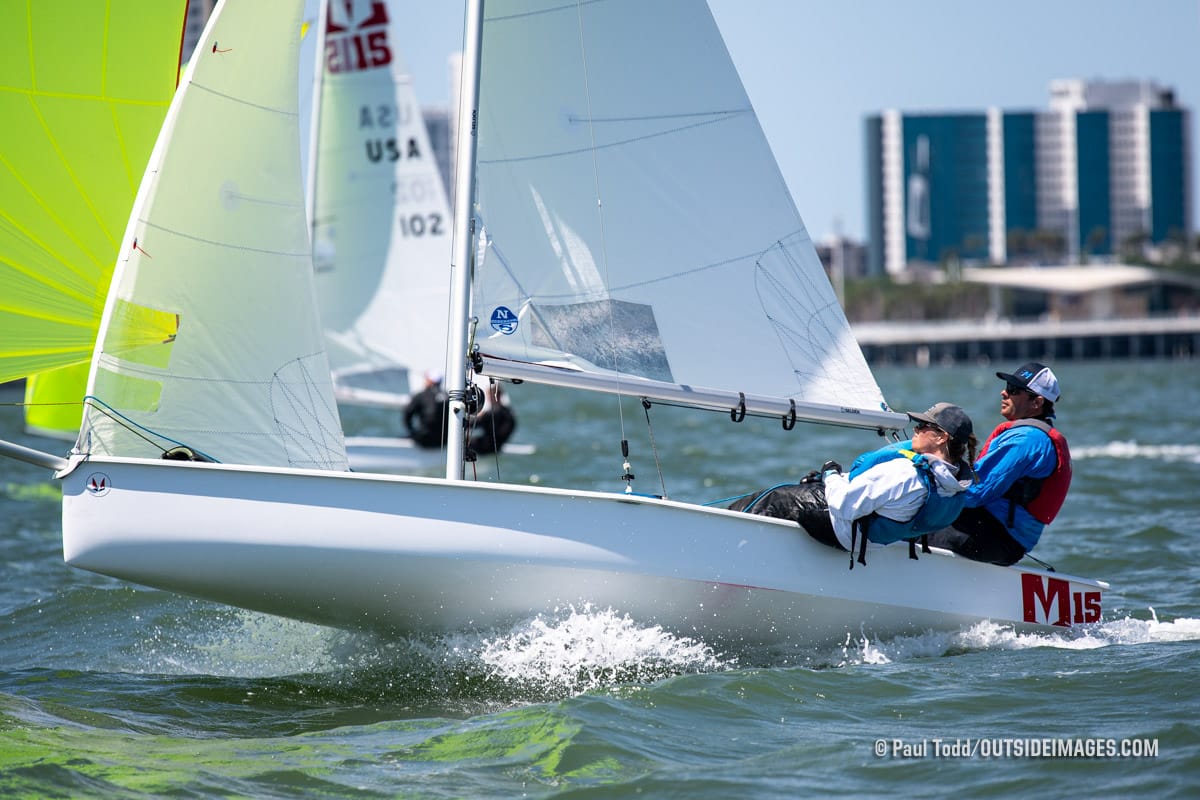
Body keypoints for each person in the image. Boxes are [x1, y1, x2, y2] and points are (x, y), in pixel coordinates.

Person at [730, 402, 977, 566]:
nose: (916, 429)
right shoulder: (954, 481)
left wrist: (830, 474)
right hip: (872, 541)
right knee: (808, 490)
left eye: (923, 426)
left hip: (844, 530)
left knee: (776, 497)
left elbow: (844, 505)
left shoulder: (906, 473)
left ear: (941, 437)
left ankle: (726, 545)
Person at [924, 362, 1071, 566]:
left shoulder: (1027, 440)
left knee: (912, 525)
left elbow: (975, 492)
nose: (1004, 393)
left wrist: (924, 490)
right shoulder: (1029, 435)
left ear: (1037, 402)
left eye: (1014, 390)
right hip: (996, 533)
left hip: (995, 537)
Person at [468, 381, 517, 455]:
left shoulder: (491, 413)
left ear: (495, 396)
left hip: (486, 447)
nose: (488, 399)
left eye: (488, 396)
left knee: (464, 440)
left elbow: (473, 424)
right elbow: (512, 425)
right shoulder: (508, 411)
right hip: (499, 445)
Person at [403, 371, 449, 449]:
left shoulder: (421, 396)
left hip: (425, 440)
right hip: (444, 441)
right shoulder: (448, 396)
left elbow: (407, 414)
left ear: (430, 381)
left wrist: (412, 432)